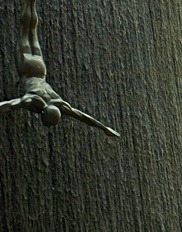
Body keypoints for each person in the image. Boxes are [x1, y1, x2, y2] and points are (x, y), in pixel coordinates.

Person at [0, 0, 119, 137]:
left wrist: (104, 127)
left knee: (32, 31)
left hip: (40, 69)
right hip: (27, 67)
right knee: (25, 31)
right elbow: (8, 105)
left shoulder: (61, 104)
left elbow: (82, 116)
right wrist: (103, 128)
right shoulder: (32, 99)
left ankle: (31, 2)